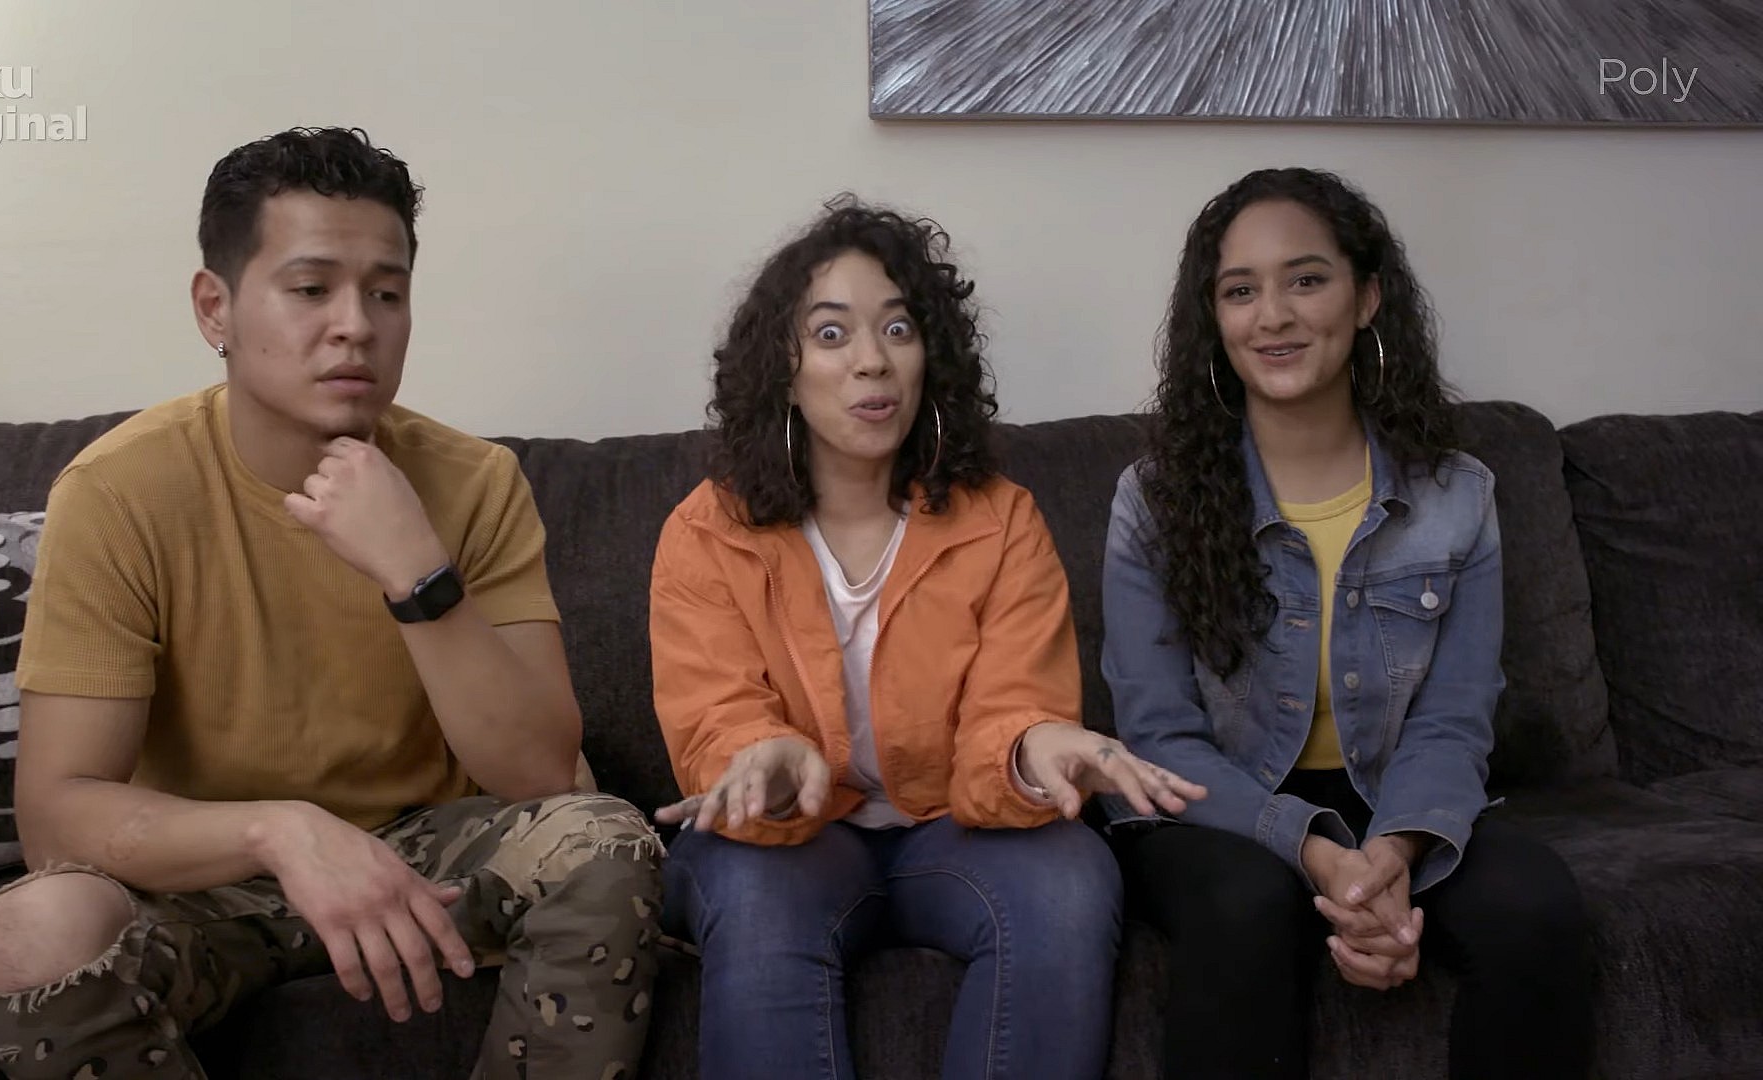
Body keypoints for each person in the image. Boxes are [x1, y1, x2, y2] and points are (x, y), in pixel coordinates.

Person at [0, 126, 663, 1080]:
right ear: (215, 307)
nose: (356, 325)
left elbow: (540, 772)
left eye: (386, 293)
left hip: (427, 860)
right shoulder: (117, 492)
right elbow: (57, 816)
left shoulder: (476, 481)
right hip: (206, 881)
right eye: (311, 288)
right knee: (27, 935)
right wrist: (281, 830)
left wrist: (416, 571)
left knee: (604, 841)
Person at [648, 197, 1206, 1080]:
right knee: (751, 891)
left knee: (1070, 878)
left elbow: (1014, 706)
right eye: (832, 334)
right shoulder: (706, 531)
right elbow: (711, 712)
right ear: (782, 370)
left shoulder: (1001, 521)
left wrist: (1036, 746)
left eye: (898, 328)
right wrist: (763, 756)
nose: (872, 359)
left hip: (955, 828)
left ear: (929, 359)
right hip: (792, 844)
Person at [1100, 166, 1595, 1079]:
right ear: (1213, 319)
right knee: (1246, 905)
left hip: (1393, 794)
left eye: (1306, 279)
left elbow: (1454, 721)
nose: (1273, 316)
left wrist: (1392, 850)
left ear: (1366, 298)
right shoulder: (1155, 499)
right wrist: (1318, 850)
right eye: (1240, 291)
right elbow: (1160, 737)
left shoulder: (1456, 495)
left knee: (1538, 910)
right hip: (1216, 807)